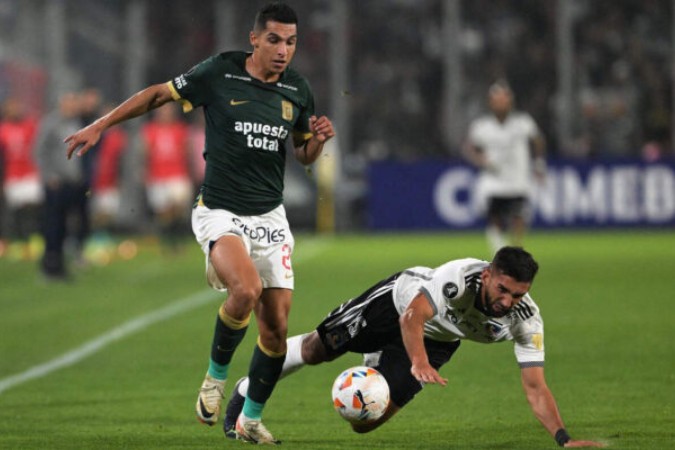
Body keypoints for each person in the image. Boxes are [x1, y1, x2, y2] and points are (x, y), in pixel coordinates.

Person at [64, 2, 334, 445]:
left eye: (291, 42)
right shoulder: (220, 72)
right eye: (274, 40)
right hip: (221, 209)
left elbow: (302, 154)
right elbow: (156, 95)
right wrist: (102, 124)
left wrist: (317, 142)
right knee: (244, 291)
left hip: (270, 217)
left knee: (277, 329)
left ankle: (250, 418)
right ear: (254, 39)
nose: (283, 50)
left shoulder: (297, 89)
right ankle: (214, 378)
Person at [223, 247, 604, 448]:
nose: (507, 300)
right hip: (395, 305)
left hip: (438, 342)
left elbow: (535, 387)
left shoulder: (526, 319)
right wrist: (417, 362)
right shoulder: (458, 278)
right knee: (315, 350)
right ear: (487, 275)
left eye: (517, 293)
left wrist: (563, 438)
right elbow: (412, 318)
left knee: (365, 424)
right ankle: (247, 389)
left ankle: (373, 366)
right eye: (502, 289)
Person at [463, 81, 546, 255]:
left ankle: (516, 250)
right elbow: (469, 147)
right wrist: (481, 160)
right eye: (497, 100)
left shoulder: (522, 122)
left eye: (504, 99)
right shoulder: (482, 126)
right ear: (491, 102)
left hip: (518, 179)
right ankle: (499, 250)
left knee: (519, 217)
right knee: (495, 218)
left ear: (510, 101)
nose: (501, 103)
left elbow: (537, 141)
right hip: (494, 180)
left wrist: (538, 163)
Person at [35, 91, 85, 280]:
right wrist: (49, 175)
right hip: (55, 183)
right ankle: (49, 265)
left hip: (71, 182)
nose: (73, 107)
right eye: (70, 103)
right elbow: (39, 151)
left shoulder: (76, 123)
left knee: (65, 225)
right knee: (53, 225)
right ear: (62, 104)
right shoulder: (50, 123)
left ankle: (59, 265)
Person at [141, 103, 191, 252]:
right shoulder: (150, 130)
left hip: (177, 173)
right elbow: (145, 152)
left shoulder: (180, 129)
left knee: (178, 207)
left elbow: (187, 151)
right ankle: (168, 243)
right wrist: (145, 171)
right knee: (163, 213)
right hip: (158, 175)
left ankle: (178, 240)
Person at [0, 97, 43, 260]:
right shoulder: (3, 128)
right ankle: (17, 241)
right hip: (12, 174)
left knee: (32, 208)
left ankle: (31, 239)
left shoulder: (30, 125)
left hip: (29, 173)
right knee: (14, 210)